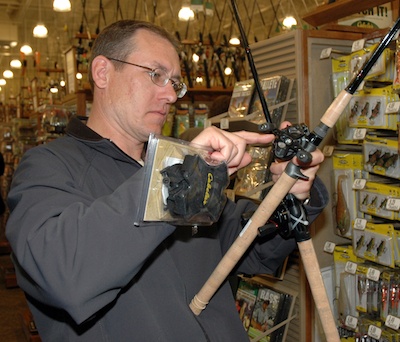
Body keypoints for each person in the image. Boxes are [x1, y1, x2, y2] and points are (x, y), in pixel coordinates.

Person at [6, 20, 328, 341]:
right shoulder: (48, 166)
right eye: (156, 75)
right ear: (102, 72)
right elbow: (65, 273)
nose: (171, 95)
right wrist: (178, 183)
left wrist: (291, 193)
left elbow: (251, 247)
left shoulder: (177, 162)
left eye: (175, 82)